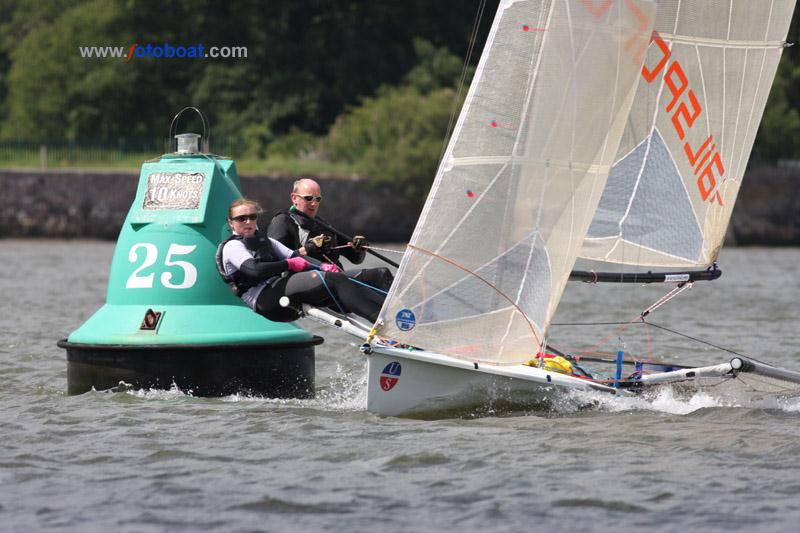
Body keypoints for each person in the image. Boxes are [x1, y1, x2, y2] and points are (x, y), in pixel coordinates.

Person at [216, 198, 385, 323]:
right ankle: (384, 327)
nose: (248, 221)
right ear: (231, 222)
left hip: (282, 290)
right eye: (241, 218)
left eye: (252, 217)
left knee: (378, 275)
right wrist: (288, 264)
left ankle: (401, 323)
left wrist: (322, 265)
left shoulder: (268, 242)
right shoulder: (233, 247)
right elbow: (254, 270)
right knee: (334, 279)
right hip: (266, 300)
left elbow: (296, 257)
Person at [267, 178, 394, 293]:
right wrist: (309, 249)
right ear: (294, 198)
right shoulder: (282, 221)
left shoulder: (323, 224)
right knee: (380, 274)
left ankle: (398, 316)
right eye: (308, 198)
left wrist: (359, 247)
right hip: (306, 284)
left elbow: (356, 259)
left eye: (318, 199)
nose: (314, 203)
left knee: (383, 276)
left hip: (336, 282)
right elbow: (273, 263)